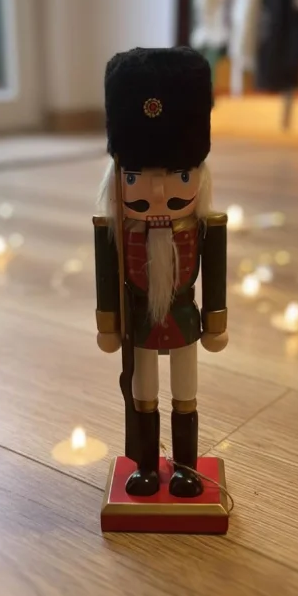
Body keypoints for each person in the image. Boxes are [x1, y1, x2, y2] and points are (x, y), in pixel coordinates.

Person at [93, 47, 229, 498]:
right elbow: (108, 278)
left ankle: (186, 467)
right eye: (135, 177)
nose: (155, 190)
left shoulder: (204, 228)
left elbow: (215, 275)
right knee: (143, 390)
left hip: (185, 319)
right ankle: (147, 465)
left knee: (186, 392)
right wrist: (108, 324)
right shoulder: (115, 232)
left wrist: (215, 321)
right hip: (139, 322)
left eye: (177, 175)